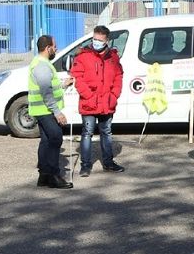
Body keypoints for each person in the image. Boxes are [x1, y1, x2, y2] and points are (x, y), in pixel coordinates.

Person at [69, 25, 125, 177]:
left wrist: (114, 95)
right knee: (87, 132)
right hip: (89, 102)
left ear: (107, 40)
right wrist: (88, 95)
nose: (96, 42)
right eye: (95, 39)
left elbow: (119, 76)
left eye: (100, 40)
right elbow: (77, 78)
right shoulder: (83, 55)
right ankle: (85, 165)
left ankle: (108, 162)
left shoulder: (113, 57)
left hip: (107, 101)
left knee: (106, 132)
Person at [27, 35, 73, 189]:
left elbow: (50, 87)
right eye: (55, 46)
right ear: (48, 48)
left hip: (42, 109)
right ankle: (53, 175)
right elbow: (46, 91)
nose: (56, 49)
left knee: (46, 141)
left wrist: (63, 85)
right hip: (45, 110)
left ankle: (44, 176)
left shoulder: (42, 63)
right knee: (55, 138)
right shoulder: (42, 65)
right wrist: (57, 112)